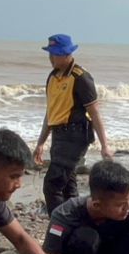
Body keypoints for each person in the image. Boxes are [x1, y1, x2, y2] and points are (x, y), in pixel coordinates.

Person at [33, 34, 111, 212]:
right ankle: (74, 224)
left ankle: (58, 228)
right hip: (58, 136)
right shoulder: (52, 77)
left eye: (55, 54)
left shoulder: (81, 78)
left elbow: (95, 112)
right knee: (68, 186)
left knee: (52, 185)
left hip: (75, 136)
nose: (51, 58)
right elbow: (50, 112)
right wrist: (41, 142)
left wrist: (105, 145)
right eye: (50, 53)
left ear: (67, 54)